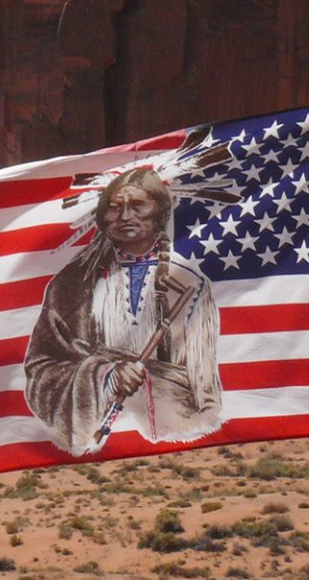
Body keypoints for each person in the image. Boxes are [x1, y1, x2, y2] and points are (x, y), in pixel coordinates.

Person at [23, 167, 223, 455]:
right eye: (115, 208)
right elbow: (41, 368)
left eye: (138, 205)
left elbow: (204, 385)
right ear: (102, 218)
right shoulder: (71, 285)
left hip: (177, 438)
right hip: (100, 440)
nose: (126, 216)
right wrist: (104, 376)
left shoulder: (189, 282)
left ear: (160, 212)